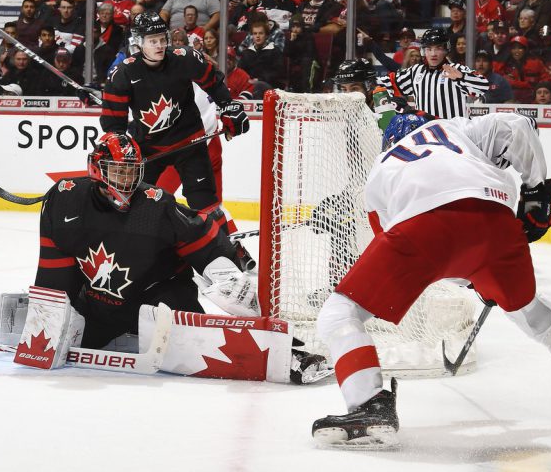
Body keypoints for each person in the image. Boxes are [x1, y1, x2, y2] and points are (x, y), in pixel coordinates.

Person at [311, 112, 551, 448]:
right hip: (498, 221)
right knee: (535, 315)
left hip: (424, 229)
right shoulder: (456, 130)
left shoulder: (382, 167)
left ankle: (369, 405)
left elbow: (412, 249)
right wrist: (536, 189)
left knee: (340, 313)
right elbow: (519, 126)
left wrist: (465, 278)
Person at [32, 131, 330, 384]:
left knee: (199, 342)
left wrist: (226, 273)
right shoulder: (65, 199)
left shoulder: (154, 206)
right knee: (79, 335)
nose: (126, 179)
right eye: (118, 170)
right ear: (96, 169)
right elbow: (55, 271)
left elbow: (204, 239)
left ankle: (284, 355)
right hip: (100, 304)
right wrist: (46, 322)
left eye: (132, 171)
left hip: (160, 297)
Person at [99, 12, 249, 230]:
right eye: (152, 41)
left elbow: (214, 83)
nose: (159, 45)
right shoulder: (123, 74)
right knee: (132, 201)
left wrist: (228, 106)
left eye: (162, 39)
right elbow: (114, 125)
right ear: (139, 42)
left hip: (189, 142)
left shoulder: (184, 57)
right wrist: (120, 146)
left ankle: (226, 246)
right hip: (149, 148)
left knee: (204, 200)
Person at [377, 27, 489, 119]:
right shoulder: (416, 71)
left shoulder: (456, 69)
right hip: (427, 134)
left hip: (454, 135)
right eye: (429, 49)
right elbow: (388, 82)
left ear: (446, 49)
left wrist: (462, 77)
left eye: (438, 48)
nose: (433, 53)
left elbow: (483, 86)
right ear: (423, 51)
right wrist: (367, 78)